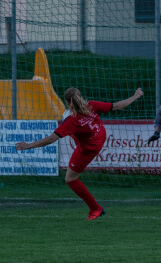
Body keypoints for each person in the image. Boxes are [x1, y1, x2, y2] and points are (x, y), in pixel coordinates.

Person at [16, 87, 144, 220]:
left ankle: (96, 209)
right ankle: (95, 208)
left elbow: (51, 139)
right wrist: (135, 96)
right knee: (74, 130)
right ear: (80, 98)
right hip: (100, 136)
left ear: (67, 103)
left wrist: (29, 145)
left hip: (88, 149)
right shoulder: (92, 105)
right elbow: (117, 106)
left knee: (70, 179)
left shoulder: (72, 121)